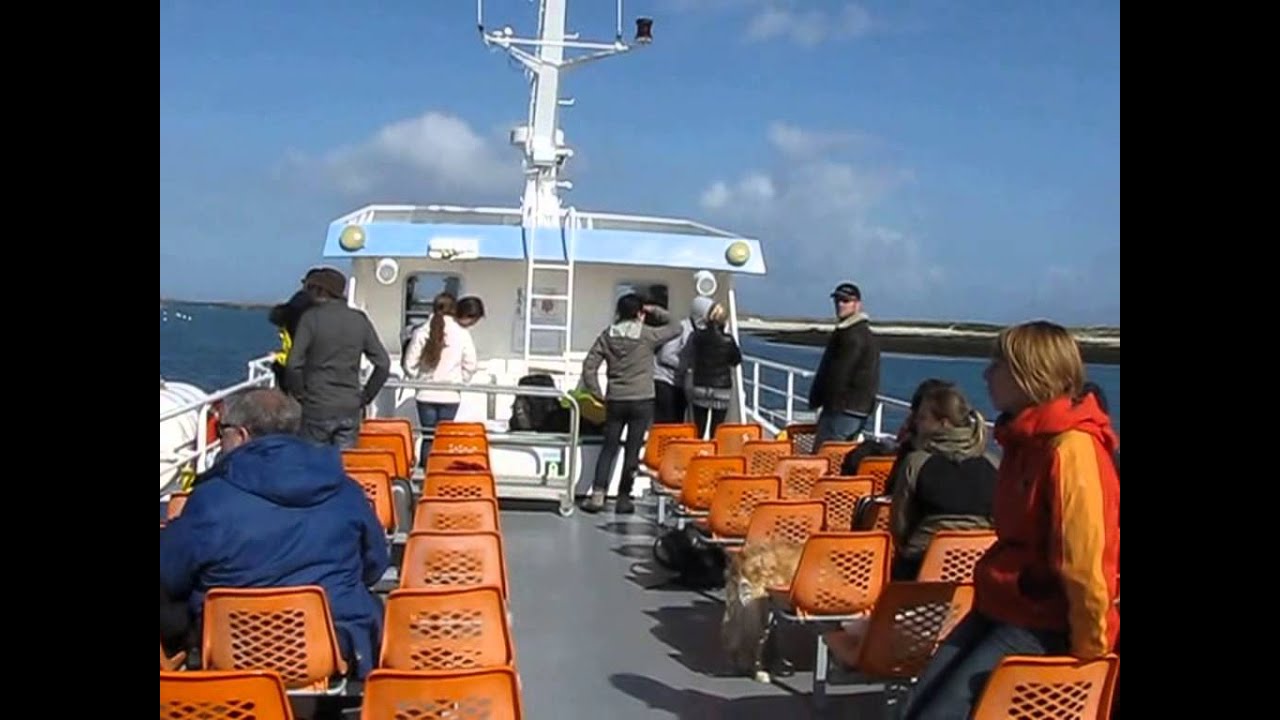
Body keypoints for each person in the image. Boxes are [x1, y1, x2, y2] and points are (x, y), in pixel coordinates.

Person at [900, 320, 1120, 719]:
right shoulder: (1022, 442)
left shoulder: (1071, 450)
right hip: (1000, 603)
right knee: (916, 707)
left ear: (1029, 374)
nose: (986, 375)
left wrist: (1089, 656)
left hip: (1040, 620)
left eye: (996, 365)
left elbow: (1086, 564)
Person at [159, 388, 390, 679]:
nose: (219, 440)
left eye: (222, 431)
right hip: (332, 644)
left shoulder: (212, 500)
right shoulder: (345, 491)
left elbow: (169, 573)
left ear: (241, 436)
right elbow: (375, 565)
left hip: (233, 648)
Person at [579, 293, 685, 514]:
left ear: (618, 312)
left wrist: (597, 393)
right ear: (639, 313)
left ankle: (598, 495)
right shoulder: (648, 335)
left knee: (608, 448)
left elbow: (589, 366)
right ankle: (624, 498)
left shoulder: (607, 335)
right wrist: (654, 309)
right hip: (642, 400)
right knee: (632, 450)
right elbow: (676, 327)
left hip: (615, 399)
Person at [887, 384, 997, 580]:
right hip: (976, 572)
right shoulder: (993, 464)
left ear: (944, 424)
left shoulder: (916, 462)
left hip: (918, 570)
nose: (916, 424)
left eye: (922, 418)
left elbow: (899, 525)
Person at [283, 267, 391, 449]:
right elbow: (383, 364)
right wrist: (365, 397)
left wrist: (300, 394)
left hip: (317, 405)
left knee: (313, 467)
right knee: (344, 467)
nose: (306, 292)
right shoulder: (359, 319)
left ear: (321, 290)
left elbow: (293, 364)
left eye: (310, 287)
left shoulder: (311, 318)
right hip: (349, 405)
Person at [402, 292, 478, 461]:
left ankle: (425, 476)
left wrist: (419, 379)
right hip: (450, 395)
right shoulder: (462, 333)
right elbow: (471, 364)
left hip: (425, 394)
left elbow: (409, 364)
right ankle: (441, 474)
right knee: (443, 438)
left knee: (428, 437)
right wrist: (461, 380)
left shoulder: (421, 331)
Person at [808, 282, 881, 450]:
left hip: (842, 409)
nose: (840, 304)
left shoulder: (851, 335)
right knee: (841, 456)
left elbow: (839, 373)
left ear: (857, 304)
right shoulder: (863, 333)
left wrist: (821, 400)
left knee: (825, 455)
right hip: (857, 408)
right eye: (838, 300)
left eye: (846, 301)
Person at [679, 301, 742, 438]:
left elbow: (690, 355)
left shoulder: (697, 336)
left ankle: (697, 453)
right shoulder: (728, 340)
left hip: (701, 385)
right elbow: (736, 360)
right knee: (717, 429)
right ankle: (712, 454)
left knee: (699, 429)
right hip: (722, 388)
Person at [652, 297, 707, 424]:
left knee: (677, 421)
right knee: (666, 421)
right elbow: (665, 356)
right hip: (665, 381)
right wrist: (687, 366)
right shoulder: (682, 328)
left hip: (679, 383)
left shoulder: (697, 331)